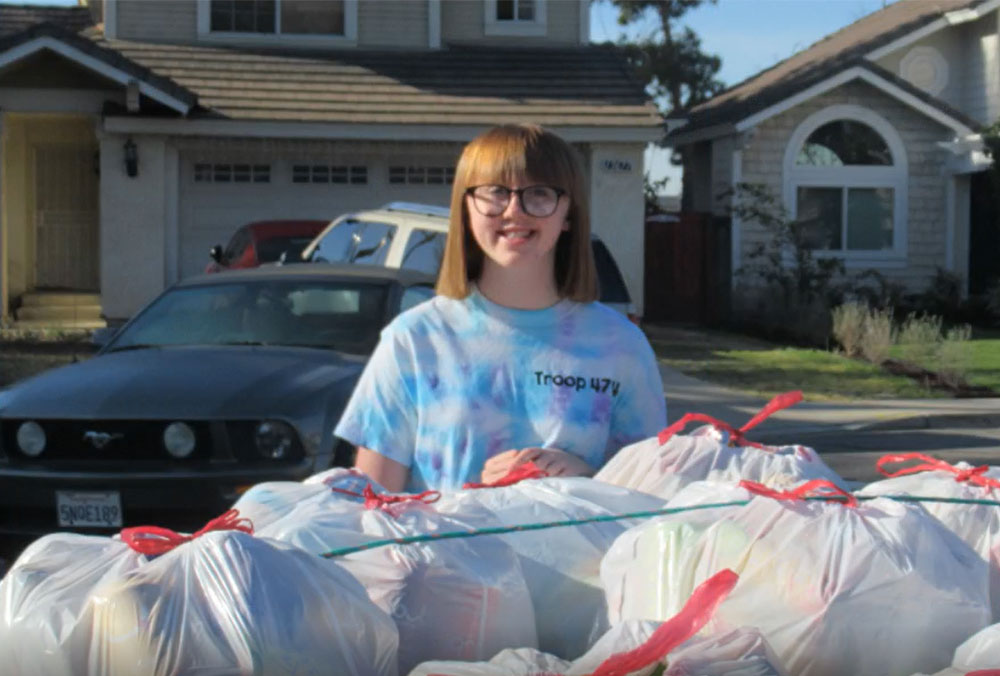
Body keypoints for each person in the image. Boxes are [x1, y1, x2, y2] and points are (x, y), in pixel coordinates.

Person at [334, 123, 667, 492]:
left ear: (569, 213)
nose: (514, 211)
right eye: (495, 193)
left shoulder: (620, 345)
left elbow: (651, 499)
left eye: (539, 194)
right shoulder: (414, 340)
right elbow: (373, 505)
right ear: (466, 208)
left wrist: (585, 477)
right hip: (442, 552)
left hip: (582, 552)